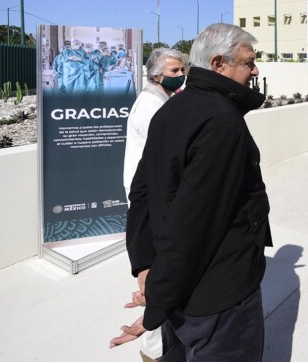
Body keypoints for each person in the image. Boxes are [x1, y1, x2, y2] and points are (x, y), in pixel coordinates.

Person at [124, 23, 271, 361]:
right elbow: (194, 223)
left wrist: (146, 265)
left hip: (180, 292)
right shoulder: (223, 123)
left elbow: (141, 193)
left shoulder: (171, 109)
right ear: (219, 64)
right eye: (249, 62)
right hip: (219, 301)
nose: (255, 69)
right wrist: (156, 302)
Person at [112, 48, 187, 361]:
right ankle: (152, 349)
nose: (181, 74)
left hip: (154, 197)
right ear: (157, 75)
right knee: (157, 275)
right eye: (174, 70)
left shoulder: (160, 100)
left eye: (182, 68)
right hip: (150, 202)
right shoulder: (152, 107)